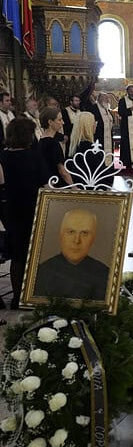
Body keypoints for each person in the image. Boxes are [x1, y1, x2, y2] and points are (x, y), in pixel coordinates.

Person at [0, 118, 49, 308]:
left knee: (18, 255)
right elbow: (45, 183)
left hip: (11, 210)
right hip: (33, 207)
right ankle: (33, 294)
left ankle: (16, 298)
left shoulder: (2, 156)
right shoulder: (34, 156)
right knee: (35, 251)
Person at [34, 208, 109, 301]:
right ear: (61, 235)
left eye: (84, 233)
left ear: (93, 239)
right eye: (71, 232)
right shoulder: (40, 273)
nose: (77, 240)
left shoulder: (105, 274)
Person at [37, 107, 73, 187]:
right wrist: (74, 187)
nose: (63, 122)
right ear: (50, 122)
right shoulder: (52, 143)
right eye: (59, 120)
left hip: (48, 183)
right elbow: (62, 171)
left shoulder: (41, 141)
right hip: (55, 184)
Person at [94, 93, 115, 166]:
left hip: (108, 134)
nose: (107, 100)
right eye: (104, 98)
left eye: (107, 98)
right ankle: (101, 166)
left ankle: (108, 166)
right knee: (99, 152)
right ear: (99, 99)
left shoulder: (106, 109)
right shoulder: (94, 107)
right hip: (99, 135)